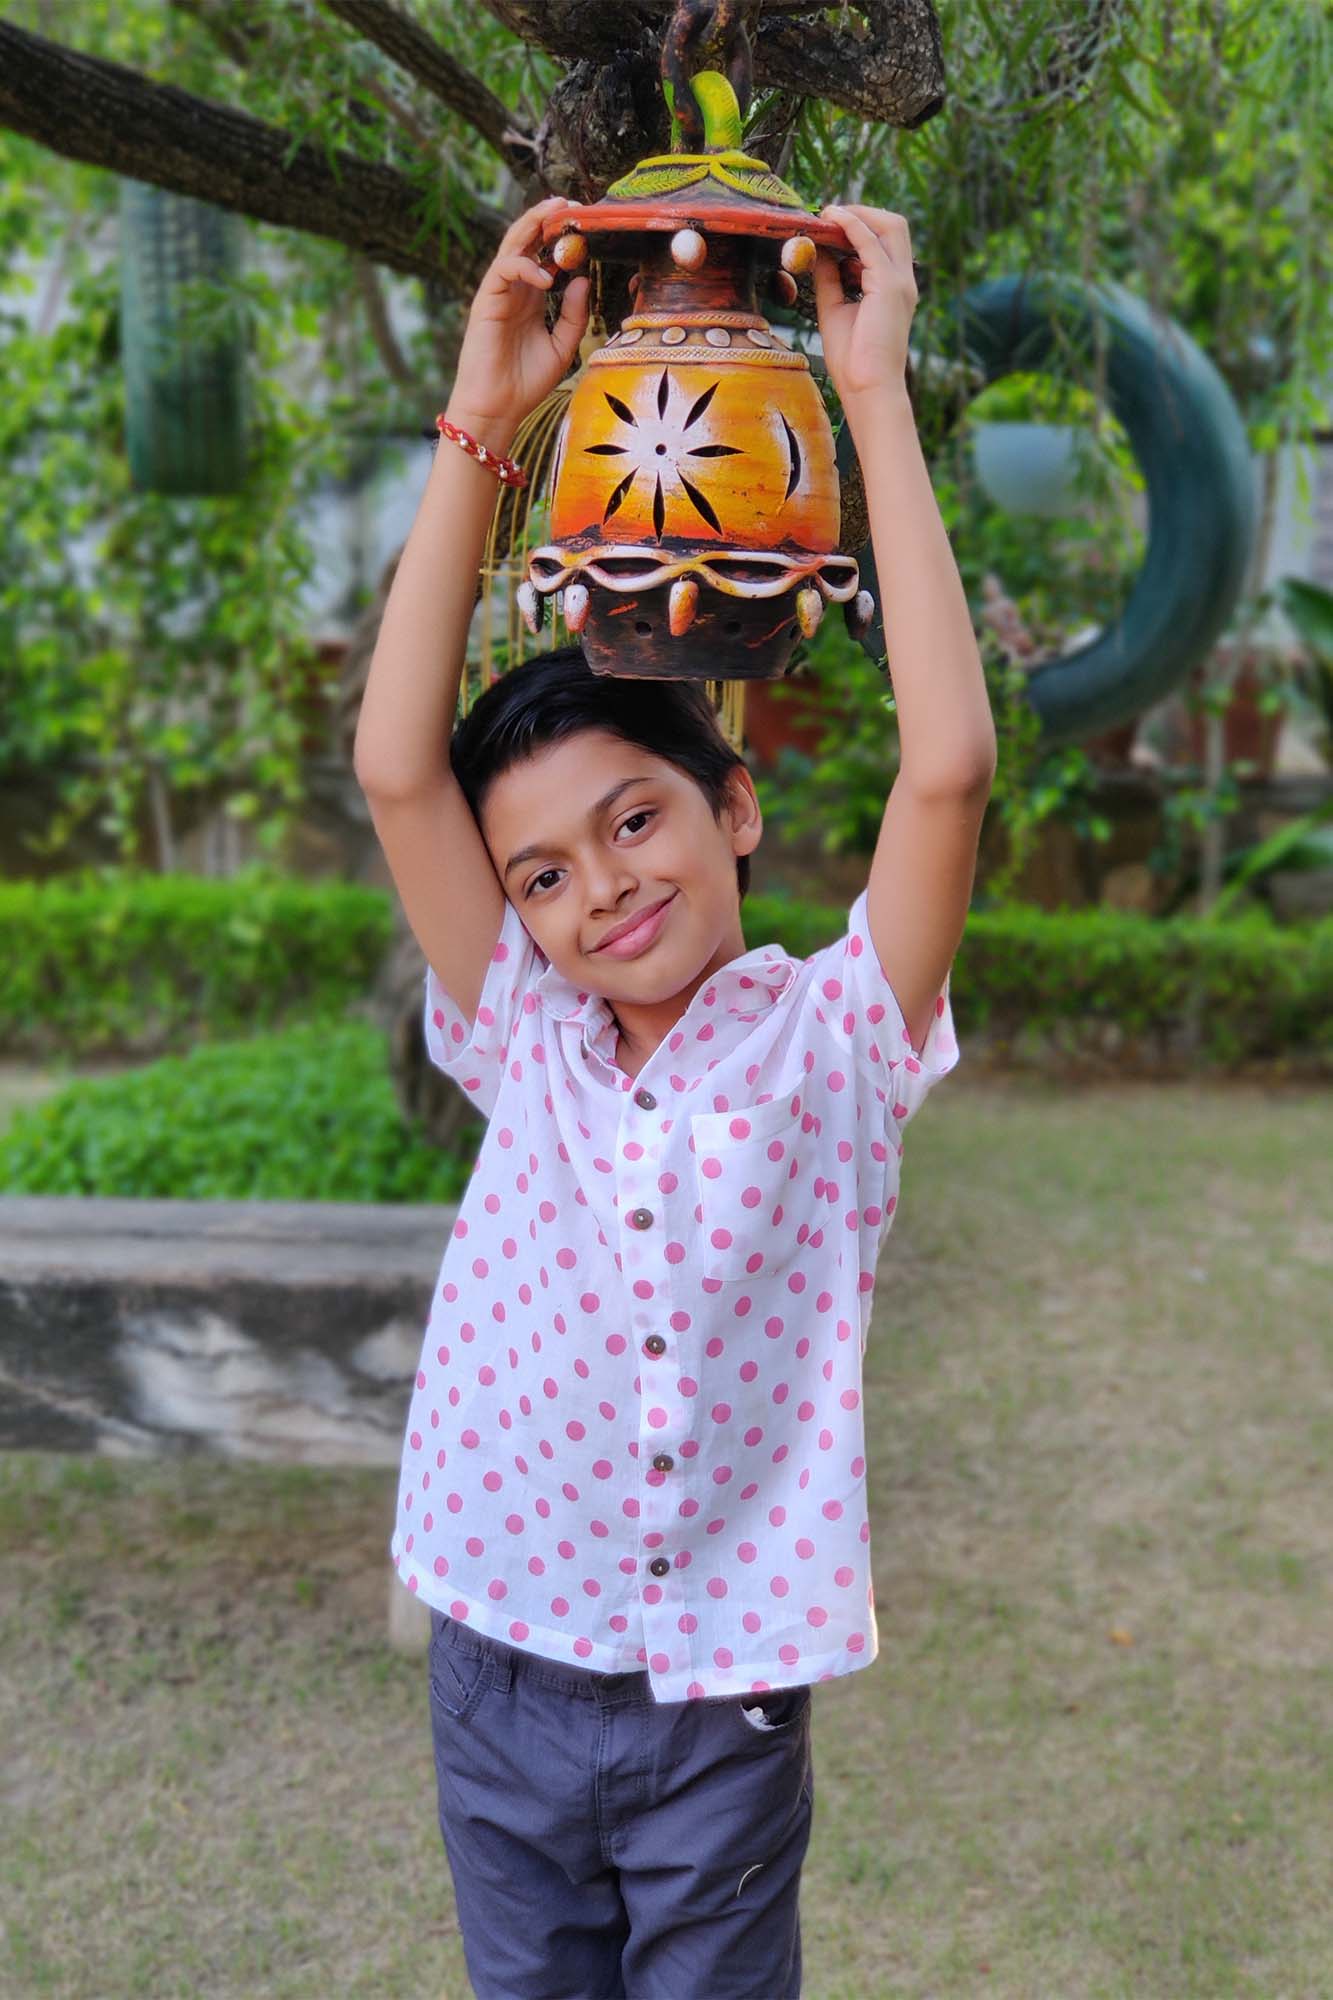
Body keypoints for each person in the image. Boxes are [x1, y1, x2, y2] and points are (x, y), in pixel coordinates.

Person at [355, 192, 996, 2000]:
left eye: (632, 817)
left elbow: (943, 767)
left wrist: (867, 395)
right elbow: (400, 765)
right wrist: (488, 419)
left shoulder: (836, 1047)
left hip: (719, 1697)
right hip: (496, 1664)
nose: (595, 890)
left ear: (732, 808)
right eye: (539, 874)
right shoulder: (522, 1036)